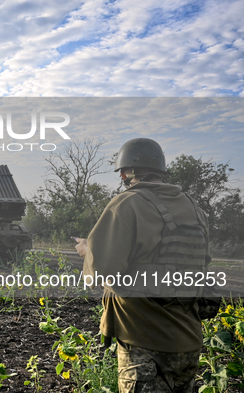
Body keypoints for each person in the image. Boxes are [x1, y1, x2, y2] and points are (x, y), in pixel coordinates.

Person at [74, 138, 210, 393]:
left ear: (125, 173)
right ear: (161, 170)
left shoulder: (127, 204)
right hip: (188, 343)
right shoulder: (196, 209)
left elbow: (100, 272)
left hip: (144, 342)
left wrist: (86, 250)